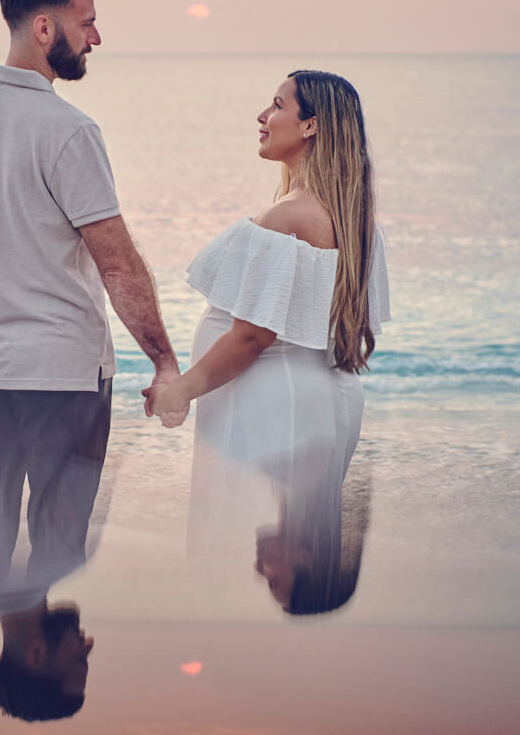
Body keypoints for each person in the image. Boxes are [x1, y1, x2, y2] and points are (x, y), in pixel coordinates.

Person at [0, 0, 181, 719]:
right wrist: (165, 360)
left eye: (75, 663)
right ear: (45, 28)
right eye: (85, 20)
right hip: (63, 375)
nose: (95, 35)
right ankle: (23, 609)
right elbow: (117, 261)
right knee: (57, 534)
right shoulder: (67, 130)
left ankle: (14, 611)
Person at [146, 70, 390, 614]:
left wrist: (182, 388)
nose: (262, 116)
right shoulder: (353, 219)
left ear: (310, 126)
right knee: (296, 520)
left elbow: (253, 334)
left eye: (276, 105)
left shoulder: (290, 216)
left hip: (276, 403)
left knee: (239, 537)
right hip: (307, 400)